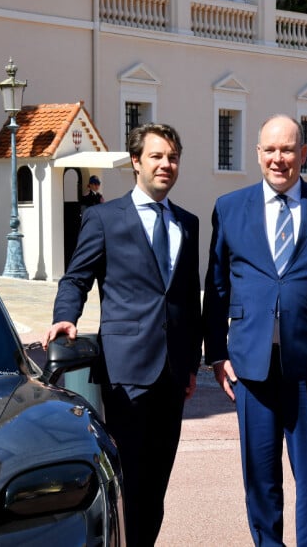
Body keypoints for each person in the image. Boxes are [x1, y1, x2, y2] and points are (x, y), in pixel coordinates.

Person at [42, 123, 202, 546]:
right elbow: (76, 279)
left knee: (156, 483)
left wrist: (191, 362)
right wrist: (65, 317)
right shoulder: (103, 218)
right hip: (125, 370)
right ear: (136, 162)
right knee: (126, 479)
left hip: (171, 374)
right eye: (156, 156)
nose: (166, 164)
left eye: (172, 157)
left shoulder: (188, 222)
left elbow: (188, 298)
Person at [203, 114, 307, 546]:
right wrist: (216, 355)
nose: (280, 159)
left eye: (288, 149)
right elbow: (217, 286)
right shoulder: (229, 208)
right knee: (260, 480)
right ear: (258, 154)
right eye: (271, 150)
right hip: (251, 370)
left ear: (304, 154)